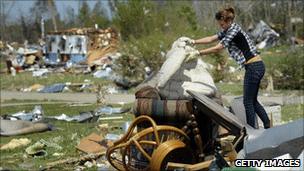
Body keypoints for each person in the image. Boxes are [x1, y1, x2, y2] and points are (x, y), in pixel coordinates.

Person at [185, 7, 270, 129]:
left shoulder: (233, 31)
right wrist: (193, 41)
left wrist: (198, 53)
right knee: (253, 101)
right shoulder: (228, 29)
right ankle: (267, 124)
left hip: (254, 67)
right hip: (255, 66)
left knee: (247, 102)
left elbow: (218, 47)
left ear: (228, 21)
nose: (221, 26)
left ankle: (252, 131)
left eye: (222, 24)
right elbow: (211, 39)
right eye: (220, 24)